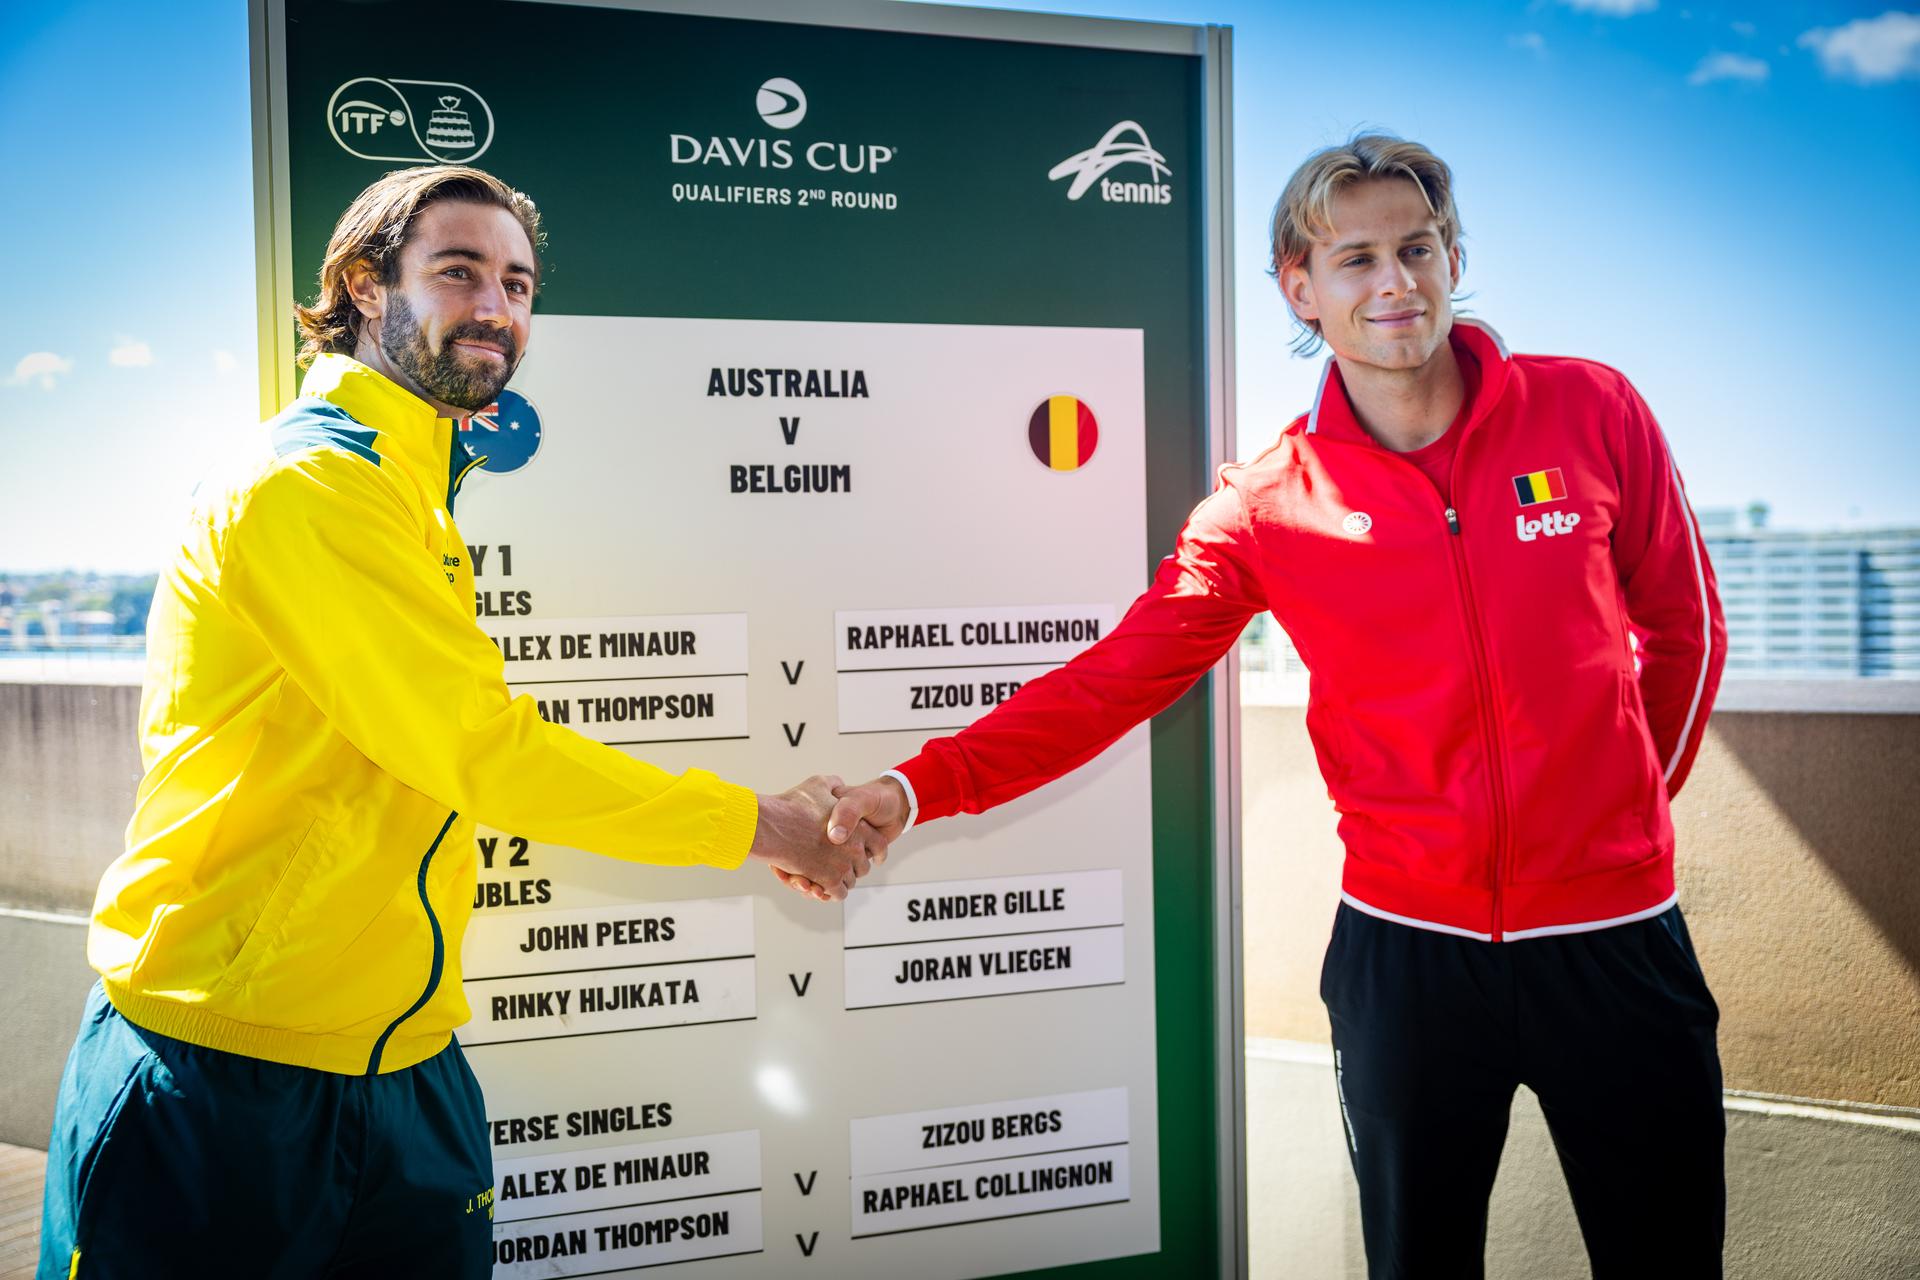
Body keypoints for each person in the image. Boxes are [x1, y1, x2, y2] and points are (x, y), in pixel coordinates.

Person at [815, 134, 1728, 1277]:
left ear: (1454, 258)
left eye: (1418, 248)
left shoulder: (1592, 409)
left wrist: (1618, 814)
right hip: (1409, 957)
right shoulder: (1265, 505)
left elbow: (1687, 632)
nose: (1395, 282)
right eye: (1355, 260)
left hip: (1616, 940)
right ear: (1300, 286)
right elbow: (1111, 683)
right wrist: (917, 786)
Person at [38, 165, 882, 1279]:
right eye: (458, 270)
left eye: (519, 282)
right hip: (224, 1069)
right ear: (362, 285)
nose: (496, 304)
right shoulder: (312, 484)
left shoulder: (410, 486)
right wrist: (761, 823)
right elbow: (475, 745)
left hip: (409, 1062)